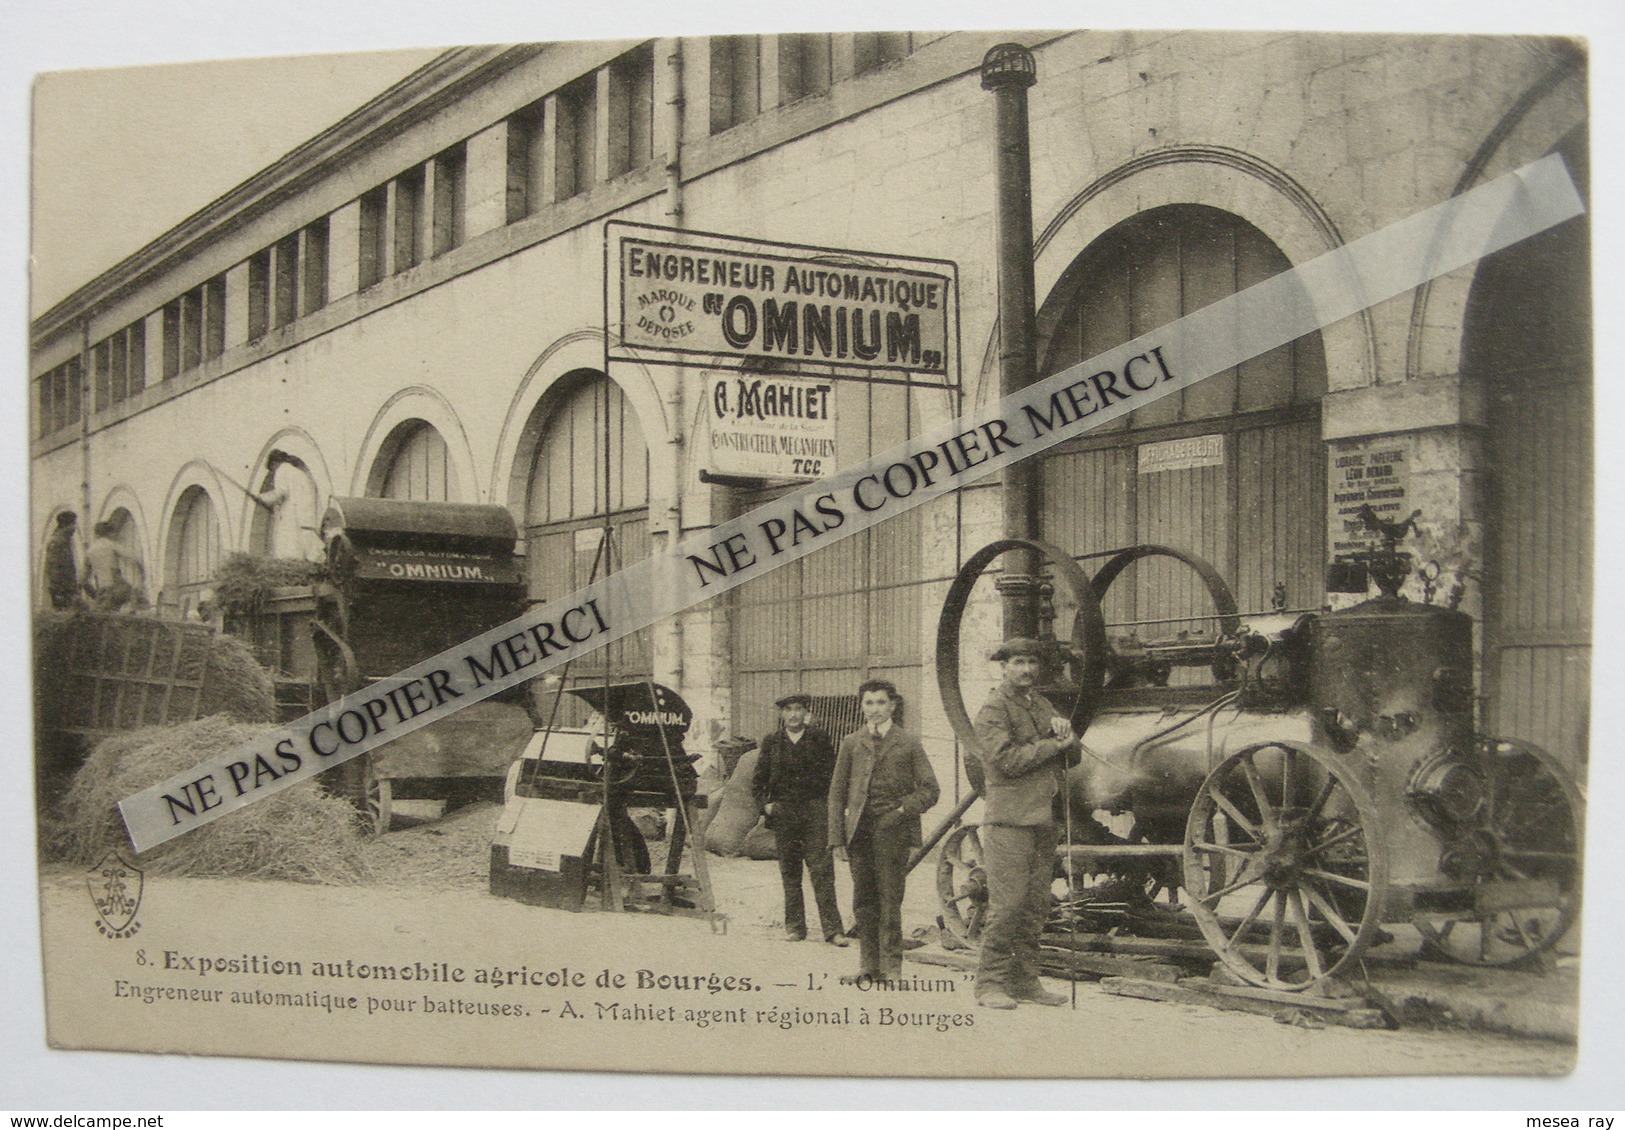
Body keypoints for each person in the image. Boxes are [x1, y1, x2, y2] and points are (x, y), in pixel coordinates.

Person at [970, 637, 1082, 1009]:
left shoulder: (1041, 703)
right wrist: (1054, 745)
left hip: (1043, 817)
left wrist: (1069, 735)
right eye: (1018, 662)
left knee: (1036, 905)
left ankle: (1025, 981)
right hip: (1010, 821)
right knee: (1008, 905)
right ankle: (989, 985)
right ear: (1004, 666)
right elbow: (1006, 761)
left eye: (1032, 662)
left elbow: (1072, 757)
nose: (1026, 670)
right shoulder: (993, 708)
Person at [828, 679, 939, 983]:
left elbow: (930, 789)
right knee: (863, 900)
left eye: (880, 703)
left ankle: (892, 969)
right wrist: (836, 838)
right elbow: (837, 794)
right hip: (859, 834)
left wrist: (903, 809)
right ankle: (867, 967)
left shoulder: (909, 742)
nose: (874, 709)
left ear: (892, 705)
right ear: (861, 706)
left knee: (890, 899)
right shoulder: (851, 743)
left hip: (894, 833)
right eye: (868, 703)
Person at [752, 693, 848, 947]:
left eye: (799, 709)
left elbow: (834, 775)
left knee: (822, 871)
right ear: (781, 714)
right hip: (785, 814)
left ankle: (833, 930)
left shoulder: (819, 738)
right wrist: (767, 805)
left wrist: (830, 807)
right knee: (790, 872)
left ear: (806, 712)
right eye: (789, 709)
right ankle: (795, 927)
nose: (794, 714)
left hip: (815, 812)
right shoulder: (772, 742)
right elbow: (758, 781)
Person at [84, 520, 137, 612]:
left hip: (102, 590)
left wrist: (94, 595)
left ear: (96, 534)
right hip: (117, 588)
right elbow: (134, 559)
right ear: (109, 533)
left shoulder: (89, 552)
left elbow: (83, 580)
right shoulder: (112, 545)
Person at [43, 511, 81, 610]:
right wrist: (61, 591)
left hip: (66, 589)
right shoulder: (58, 542)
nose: (74, 528)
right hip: (62, 590)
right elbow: (55, 568)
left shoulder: (63, 540)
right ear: (65, 525)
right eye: (73, 524)